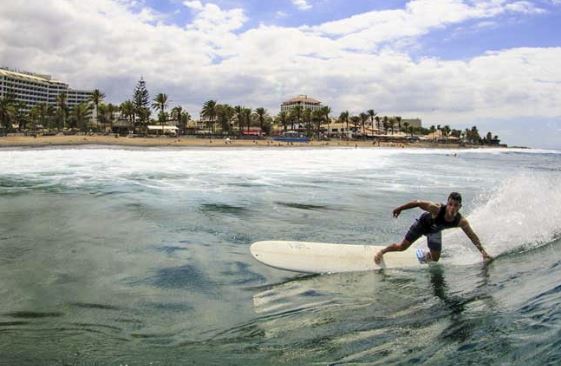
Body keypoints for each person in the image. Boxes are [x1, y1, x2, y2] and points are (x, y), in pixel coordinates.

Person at [374, 192, 492, 264]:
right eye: (450, 204)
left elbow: (472, 236)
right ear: (447, 203)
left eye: (456, 205)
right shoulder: (436, 208)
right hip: (422, 225)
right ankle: (382, 252)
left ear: (460, 207)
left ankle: (424, 255)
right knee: (402, 247)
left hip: (434, 231)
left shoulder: (461, 221)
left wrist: (483, 252)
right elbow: (418, 202)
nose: (452, 208)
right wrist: (400, 209)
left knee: (435, 259)